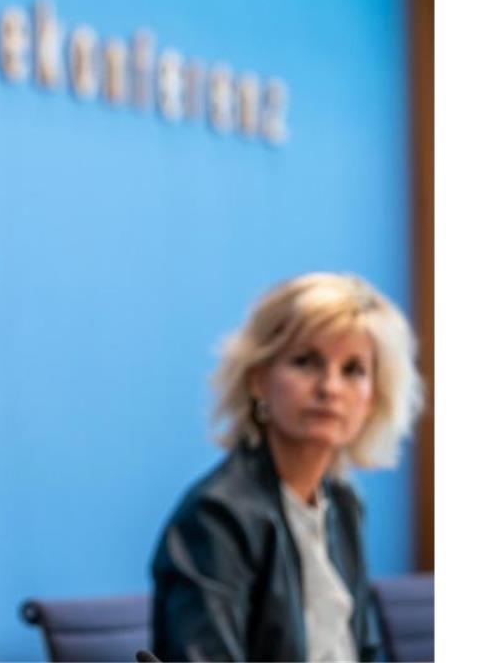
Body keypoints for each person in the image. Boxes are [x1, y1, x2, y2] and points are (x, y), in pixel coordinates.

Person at [151, 273, 424, 662]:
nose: (330, 387)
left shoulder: (343, 504)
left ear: (373, 397)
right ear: (259, 378)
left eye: (353, 370)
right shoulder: (217, 516)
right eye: (306, 362)